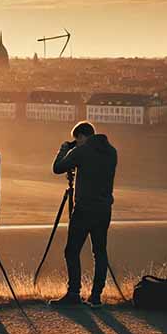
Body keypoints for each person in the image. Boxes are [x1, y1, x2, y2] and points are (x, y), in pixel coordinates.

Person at [49, 121, 117, 308]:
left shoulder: (82, 151)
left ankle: (73, 293)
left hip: (85, 209)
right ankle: (96, 296)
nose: (75, 142)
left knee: (71, 250)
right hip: (104, 209)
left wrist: (64, 150)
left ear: (81, 136)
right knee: (99, 252)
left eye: (76, 139)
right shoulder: (112, 152)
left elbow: (57, 168)